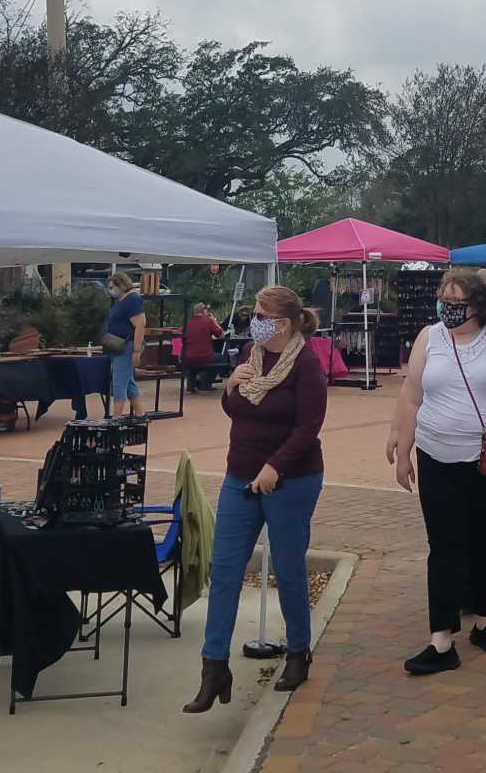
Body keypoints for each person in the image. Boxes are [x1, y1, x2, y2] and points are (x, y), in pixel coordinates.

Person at [387, 268, 486, 675]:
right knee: (443, 545)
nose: (448, 309)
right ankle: (441, 639)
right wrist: (401, 445)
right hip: (437, 454)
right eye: (444, 300)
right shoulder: (429, 338)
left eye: (456, 303)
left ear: (478, 306)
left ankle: (483, 619)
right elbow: (410, 395)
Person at [184, 286, 328, 713]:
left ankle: (298, 652)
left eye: (262, 315)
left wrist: (275, 467)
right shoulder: (252, 353)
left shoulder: (306, 365)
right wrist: (229, 387)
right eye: (254, 314)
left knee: (287, 568)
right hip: (240, 474)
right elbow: (238, 409)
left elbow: (308, 428)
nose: (254, 322)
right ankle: (214, 668)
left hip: (291, 479)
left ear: (283, 323)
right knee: (225, 568)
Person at [100, 271, 147, 418]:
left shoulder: (132, 300)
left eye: (112, 287)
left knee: (119, 383)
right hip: (118, 347)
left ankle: (116, 418)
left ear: (121, 285)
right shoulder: (121, 301)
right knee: (128, 383)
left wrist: (137, 351)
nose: (110, 290)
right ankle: (141, 415)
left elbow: (140, 325)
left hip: (127, 347)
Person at [181, 302, 224, 392]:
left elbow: (179, 336)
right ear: (204, 311)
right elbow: (221, 335)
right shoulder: (208, 321)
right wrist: (214, 321)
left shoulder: (187, 323)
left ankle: (191, 385)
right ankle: (206, 383)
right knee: (220, 358)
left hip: (187, 357)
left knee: (192, 360)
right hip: (205, 357)